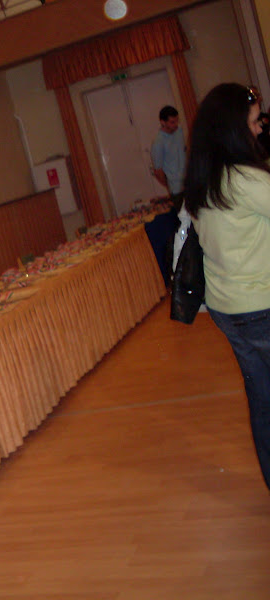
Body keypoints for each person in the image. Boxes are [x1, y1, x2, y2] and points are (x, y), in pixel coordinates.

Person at [184, 82, 270, 491]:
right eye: (253, 123)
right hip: (260, 305)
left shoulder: (202, 181)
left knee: (263, 399)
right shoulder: (245, 180)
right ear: (234, 129)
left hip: (227, 308)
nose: (260, 128)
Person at [150, 105, 186, 205]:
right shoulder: (158, 143)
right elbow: (158, 171)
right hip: (176, 189)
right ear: (163, 122)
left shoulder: (179, 131)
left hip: (188, 182)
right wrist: (170, 184)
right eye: (172, 122)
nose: (176, 124)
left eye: (177, 121)